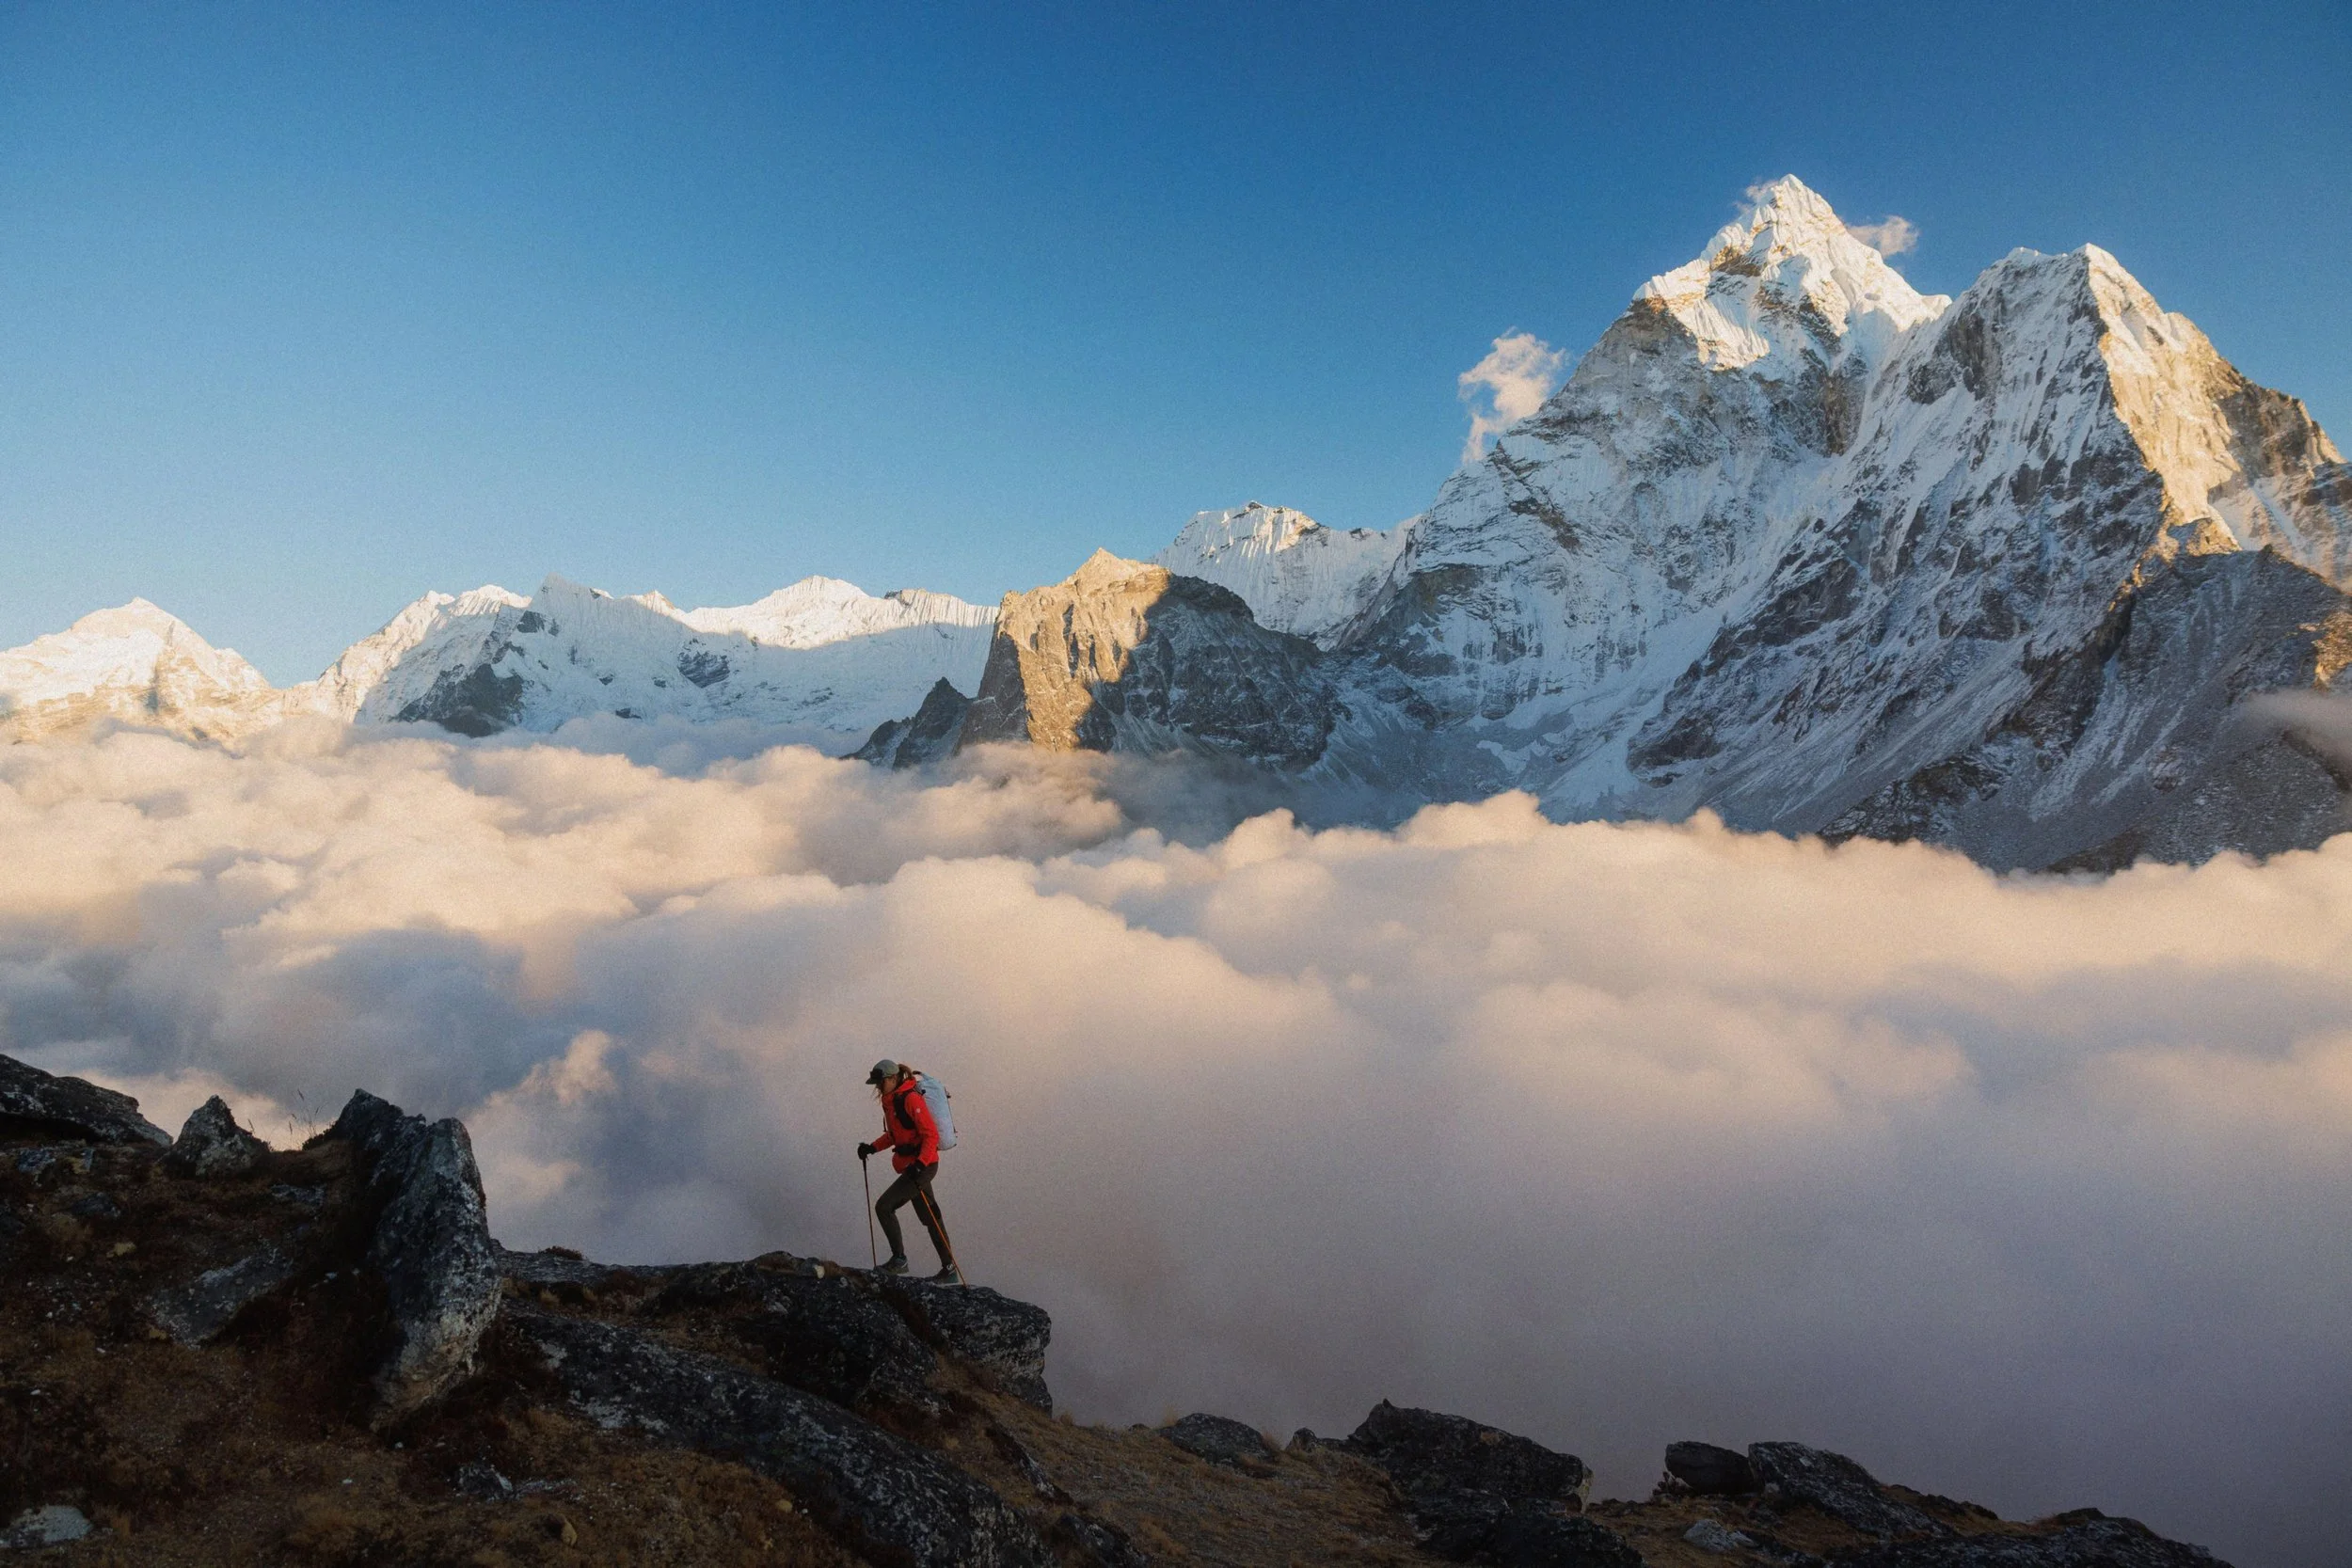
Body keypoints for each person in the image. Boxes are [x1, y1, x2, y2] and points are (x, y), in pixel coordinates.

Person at [858, 1058, 961, 1284]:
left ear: (893, 1079)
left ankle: (899, 1260)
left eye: (880, 1082)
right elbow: (895, 1136)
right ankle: (949, 1269)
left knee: (884, 1207)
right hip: (915, 1167)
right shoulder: (892, 1101)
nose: (877, 1087)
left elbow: (931, 1135)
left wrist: (920, 1164)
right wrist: (872, 1148)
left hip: (921, 1167)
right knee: (930, 1217)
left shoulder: (910, 1099)